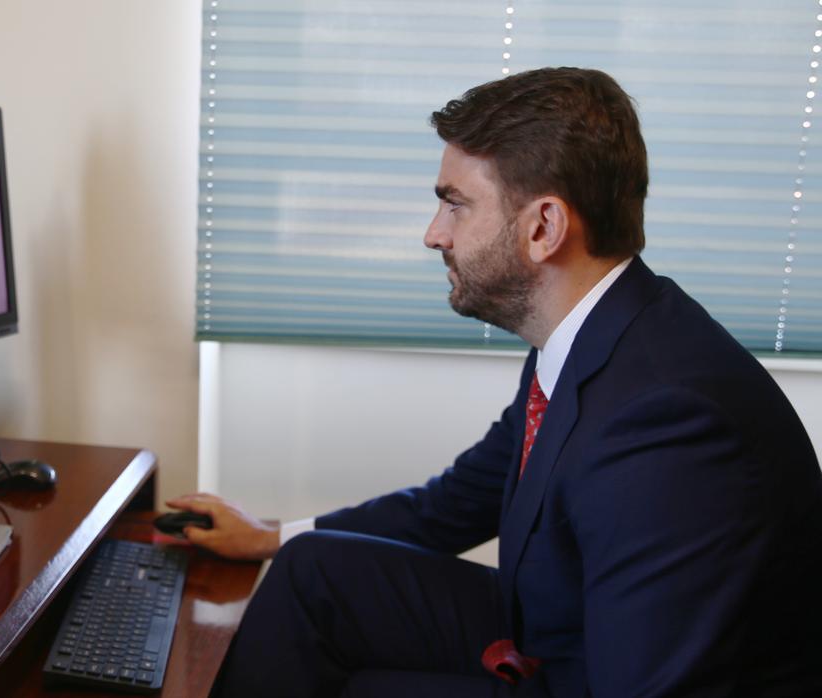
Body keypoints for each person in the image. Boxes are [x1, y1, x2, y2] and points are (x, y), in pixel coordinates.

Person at [169, 67, 822, 697]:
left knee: (362, 685)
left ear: (543, 227)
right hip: (566, 635)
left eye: (455, 206)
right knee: (313, 569)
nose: (433, 235)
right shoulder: (590, 336)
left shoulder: (666, 422)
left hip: (600, 675)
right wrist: (269, 536)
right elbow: (456, 501)